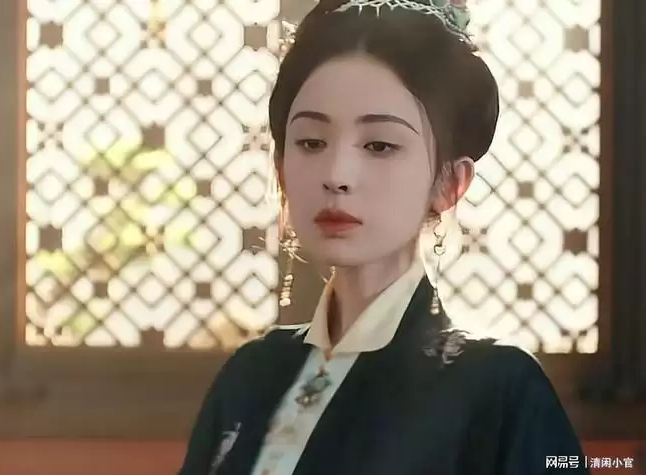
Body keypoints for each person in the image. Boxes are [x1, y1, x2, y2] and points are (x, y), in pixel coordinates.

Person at [179, 0, 589, 473]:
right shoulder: (249, 375)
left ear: (450, 183)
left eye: (379, 145)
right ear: (281, 168)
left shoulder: (499, 389)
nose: (337, 175)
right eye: (311, 142)